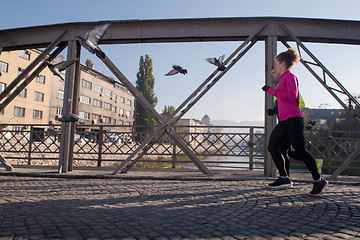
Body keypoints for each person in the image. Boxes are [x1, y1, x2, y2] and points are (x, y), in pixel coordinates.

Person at [262, 48, 328, 196]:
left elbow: (292, 96)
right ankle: (284, 178)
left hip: (293, 119)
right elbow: (284, 101)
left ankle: (319, 181)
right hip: (285, 120)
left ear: (283, 63)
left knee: (300, 151)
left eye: (276, 64)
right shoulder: (284, 78)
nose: (275, 67)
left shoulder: (290, 77)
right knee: (273, 147)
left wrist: (272, 91)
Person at [268, 68, 323, 176]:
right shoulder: (277, 92)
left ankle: (286, 177)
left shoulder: (290, 87)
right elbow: (282, 108)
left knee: (284, 150)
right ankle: (286, 176)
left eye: (274, 72)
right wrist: (273, 112)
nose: (272, 76)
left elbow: (301, 104)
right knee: (284, 150)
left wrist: (278, 110)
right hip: (284, 122)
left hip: (291, 122)